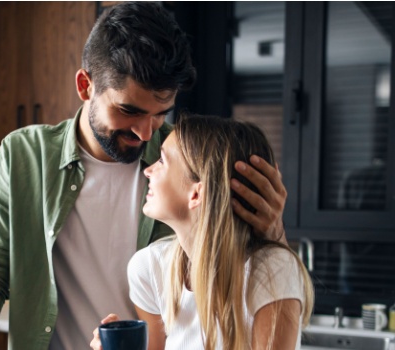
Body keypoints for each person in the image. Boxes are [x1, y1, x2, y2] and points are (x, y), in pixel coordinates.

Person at [0, 3, 288, 349]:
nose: (145, 133)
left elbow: (240, 270)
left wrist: (273, 235)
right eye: (129, 110)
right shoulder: (22, 157)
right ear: (85, 85)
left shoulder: (185, 164)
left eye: (160, 114)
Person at [90, 115, 314, 350]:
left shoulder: (272, 271)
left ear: (196, 194)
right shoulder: (148, 268)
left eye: (163, 161)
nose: (148, 170)